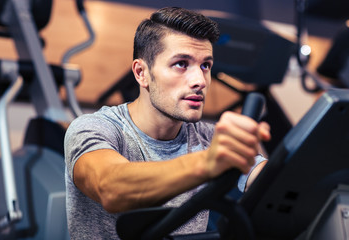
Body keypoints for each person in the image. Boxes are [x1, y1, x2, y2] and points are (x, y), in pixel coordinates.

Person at [64, 6, 271, 239]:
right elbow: (110, 188)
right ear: (141, 73)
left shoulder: (209, 138)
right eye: (181, 64)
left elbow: (273, 184)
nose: (200, 80)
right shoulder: (95, 128)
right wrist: (206, 163)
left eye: (206, 66)